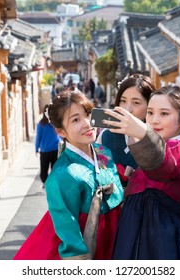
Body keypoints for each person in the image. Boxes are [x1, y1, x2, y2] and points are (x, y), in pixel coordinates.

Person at [103, 83, 180, 260]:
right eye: (150, 112)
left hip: (164, 239)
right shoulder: (154, 146)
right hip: (132, 233)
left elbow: (164, 166)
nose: (154, 120)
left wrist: (142, 133)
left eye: (164, 113)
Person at [13, 92, 124, 260]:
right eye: (75, 120)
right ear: (61, 131)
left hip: (116, 233)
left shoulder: (103, 152)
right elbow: (68, 228)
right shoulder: (63, 175)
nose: (87, 124)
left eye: (88, 114)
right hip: (88, 240)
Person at [96, 74, 155, 188]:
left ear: (150, 106)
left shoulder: (158, 140)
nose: (127, 110)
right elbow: (100, 175)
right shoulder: (106, 136)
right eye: (123, 101)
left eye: (136, 102)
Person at [35, 104, 61, 188]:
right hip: (55, 148)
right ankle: (52, 183)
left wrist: (36, 148)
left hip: (45, 150)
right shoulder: (55, 123)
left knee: (44, 168)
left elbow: (38, 137)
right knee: (54, 167)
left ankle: (45, 183)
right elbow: (60, 135)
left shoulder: (41, 124)